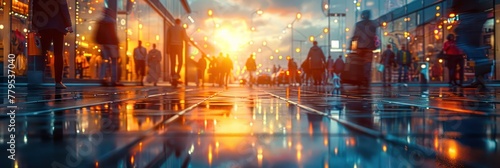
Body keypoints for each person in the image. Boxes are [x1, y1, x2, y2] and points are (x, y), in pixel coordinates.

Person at [451, 0, 493, 91]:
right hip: (479, 12)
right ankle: (479, 79)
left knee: (463, 43)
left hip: (469, 13)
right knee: (474, 45)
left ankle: (483, 62)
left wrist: (453, 9)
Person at [33, 0, 73, 89]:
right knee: (58, 54)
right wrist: (68, 24)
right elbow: (64, 7)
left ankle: (38, 77)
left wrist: (34, 24)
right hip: (58, 26)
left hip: (44, 25)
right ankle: (58, 81)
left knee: (42, 53)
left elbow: (35, 6)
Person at [350, 10, 379, 87]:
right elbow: (375, 37)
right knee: (368, 65)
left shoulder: (358, 25)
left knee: (359, 65)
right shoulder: (373, 24)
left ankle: (360, 80)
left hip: (359, 49)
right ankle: (366, 80)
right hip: (369, 49)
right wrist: (375, 46)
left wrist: (351, 47)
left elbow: (355, 37)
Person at [94, 8, 122, 86]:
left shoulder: (101, 21)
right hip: (112, 44)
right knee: (114, 61)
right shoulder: (112, 21)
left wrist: (99, 41)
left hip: (104, 44)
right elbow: (113, 34)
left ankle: (102, 78)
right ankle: (113, 80)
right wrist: (117, 44)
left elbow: (97, 33)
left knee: (104, 61)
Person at [167, 18, 189, 84]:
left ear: (175, 22)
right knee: (180, 61)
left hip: (172, 46)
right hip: (179, 46)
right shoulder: (182, 29)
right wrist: (188, 40)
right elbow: (185, 38)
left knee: (173, 62)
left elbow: (168, 38)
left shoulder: (170, 28)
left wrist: (167, 48)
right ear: (179, 22)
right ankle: (177, 74)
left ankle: (173, 74)